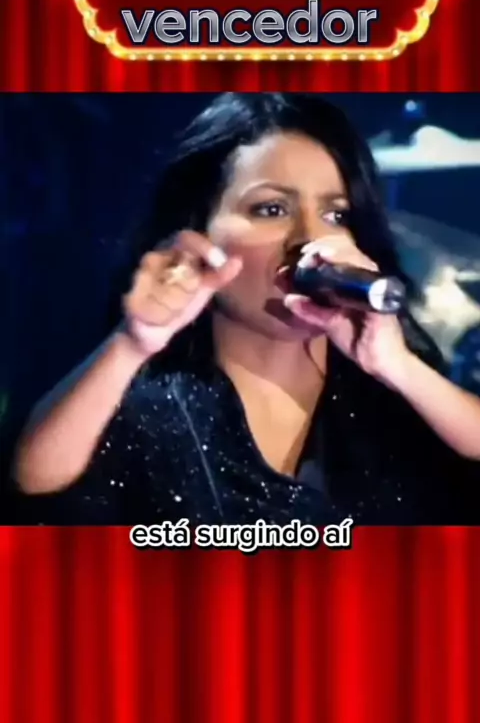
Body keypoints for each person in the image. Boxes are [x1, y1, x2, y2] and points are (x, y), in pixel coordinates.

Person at [13, 94, 480, 525]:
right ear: (199, 228)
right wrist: (131, 345)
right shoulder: (147, 399)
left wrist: (398, 368)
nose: (311, 241)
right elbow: (32, 483)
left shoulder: (396, 380)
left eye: (336, 215)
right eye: (271, 209)